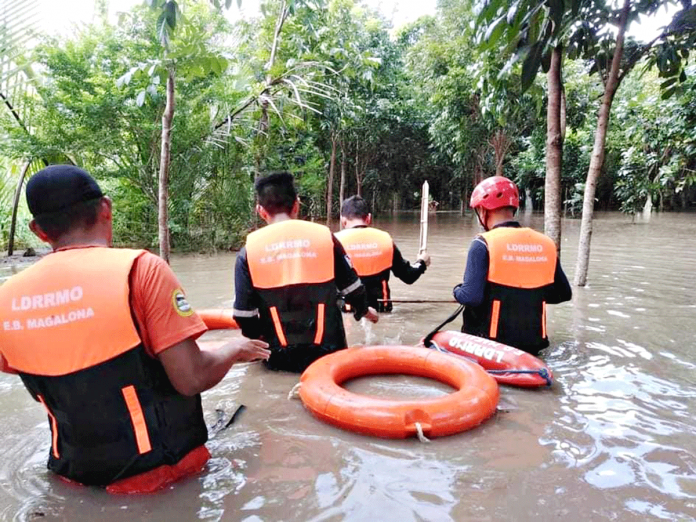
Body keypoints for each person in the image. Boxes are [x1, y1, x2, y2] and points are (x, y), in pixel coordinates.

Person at [0, 165, 270, 493]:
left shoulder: (6, 298)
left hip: (70, 480)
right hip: (162, 480)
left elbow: (61, 367)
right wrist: (233, 348)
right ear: (106, 209)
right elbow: (191, 378)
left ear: (39, 230)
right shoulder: (141, 271)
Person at [233, 173, 378, 373]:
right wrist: (365, 311)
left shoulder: (248, 251)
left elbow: (243, 314)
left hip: (278, 358)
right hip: (329, 355)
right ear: (296, 205)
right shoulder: (324, 237)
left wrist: (259, 338)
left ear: (261, 211)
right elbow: (354, 289)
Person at [453, 176, 572, 355]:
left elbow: (470, 297)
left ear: (483, 210)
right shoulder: (546, 243)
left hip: (488, 346)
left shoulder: (482, 243)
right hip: (532, 346)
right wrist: (527, 295)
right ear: (513, 208)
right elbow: (563, 294)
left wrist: (456, 290)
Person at [335, 195, 431, 312]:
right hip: (381, 311)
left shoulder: (334, 242)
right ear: (369, 218)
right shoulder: (385, 240)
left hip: (347, 313)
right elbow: (408, 276)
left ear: (343, 221)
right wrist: (422, 262)